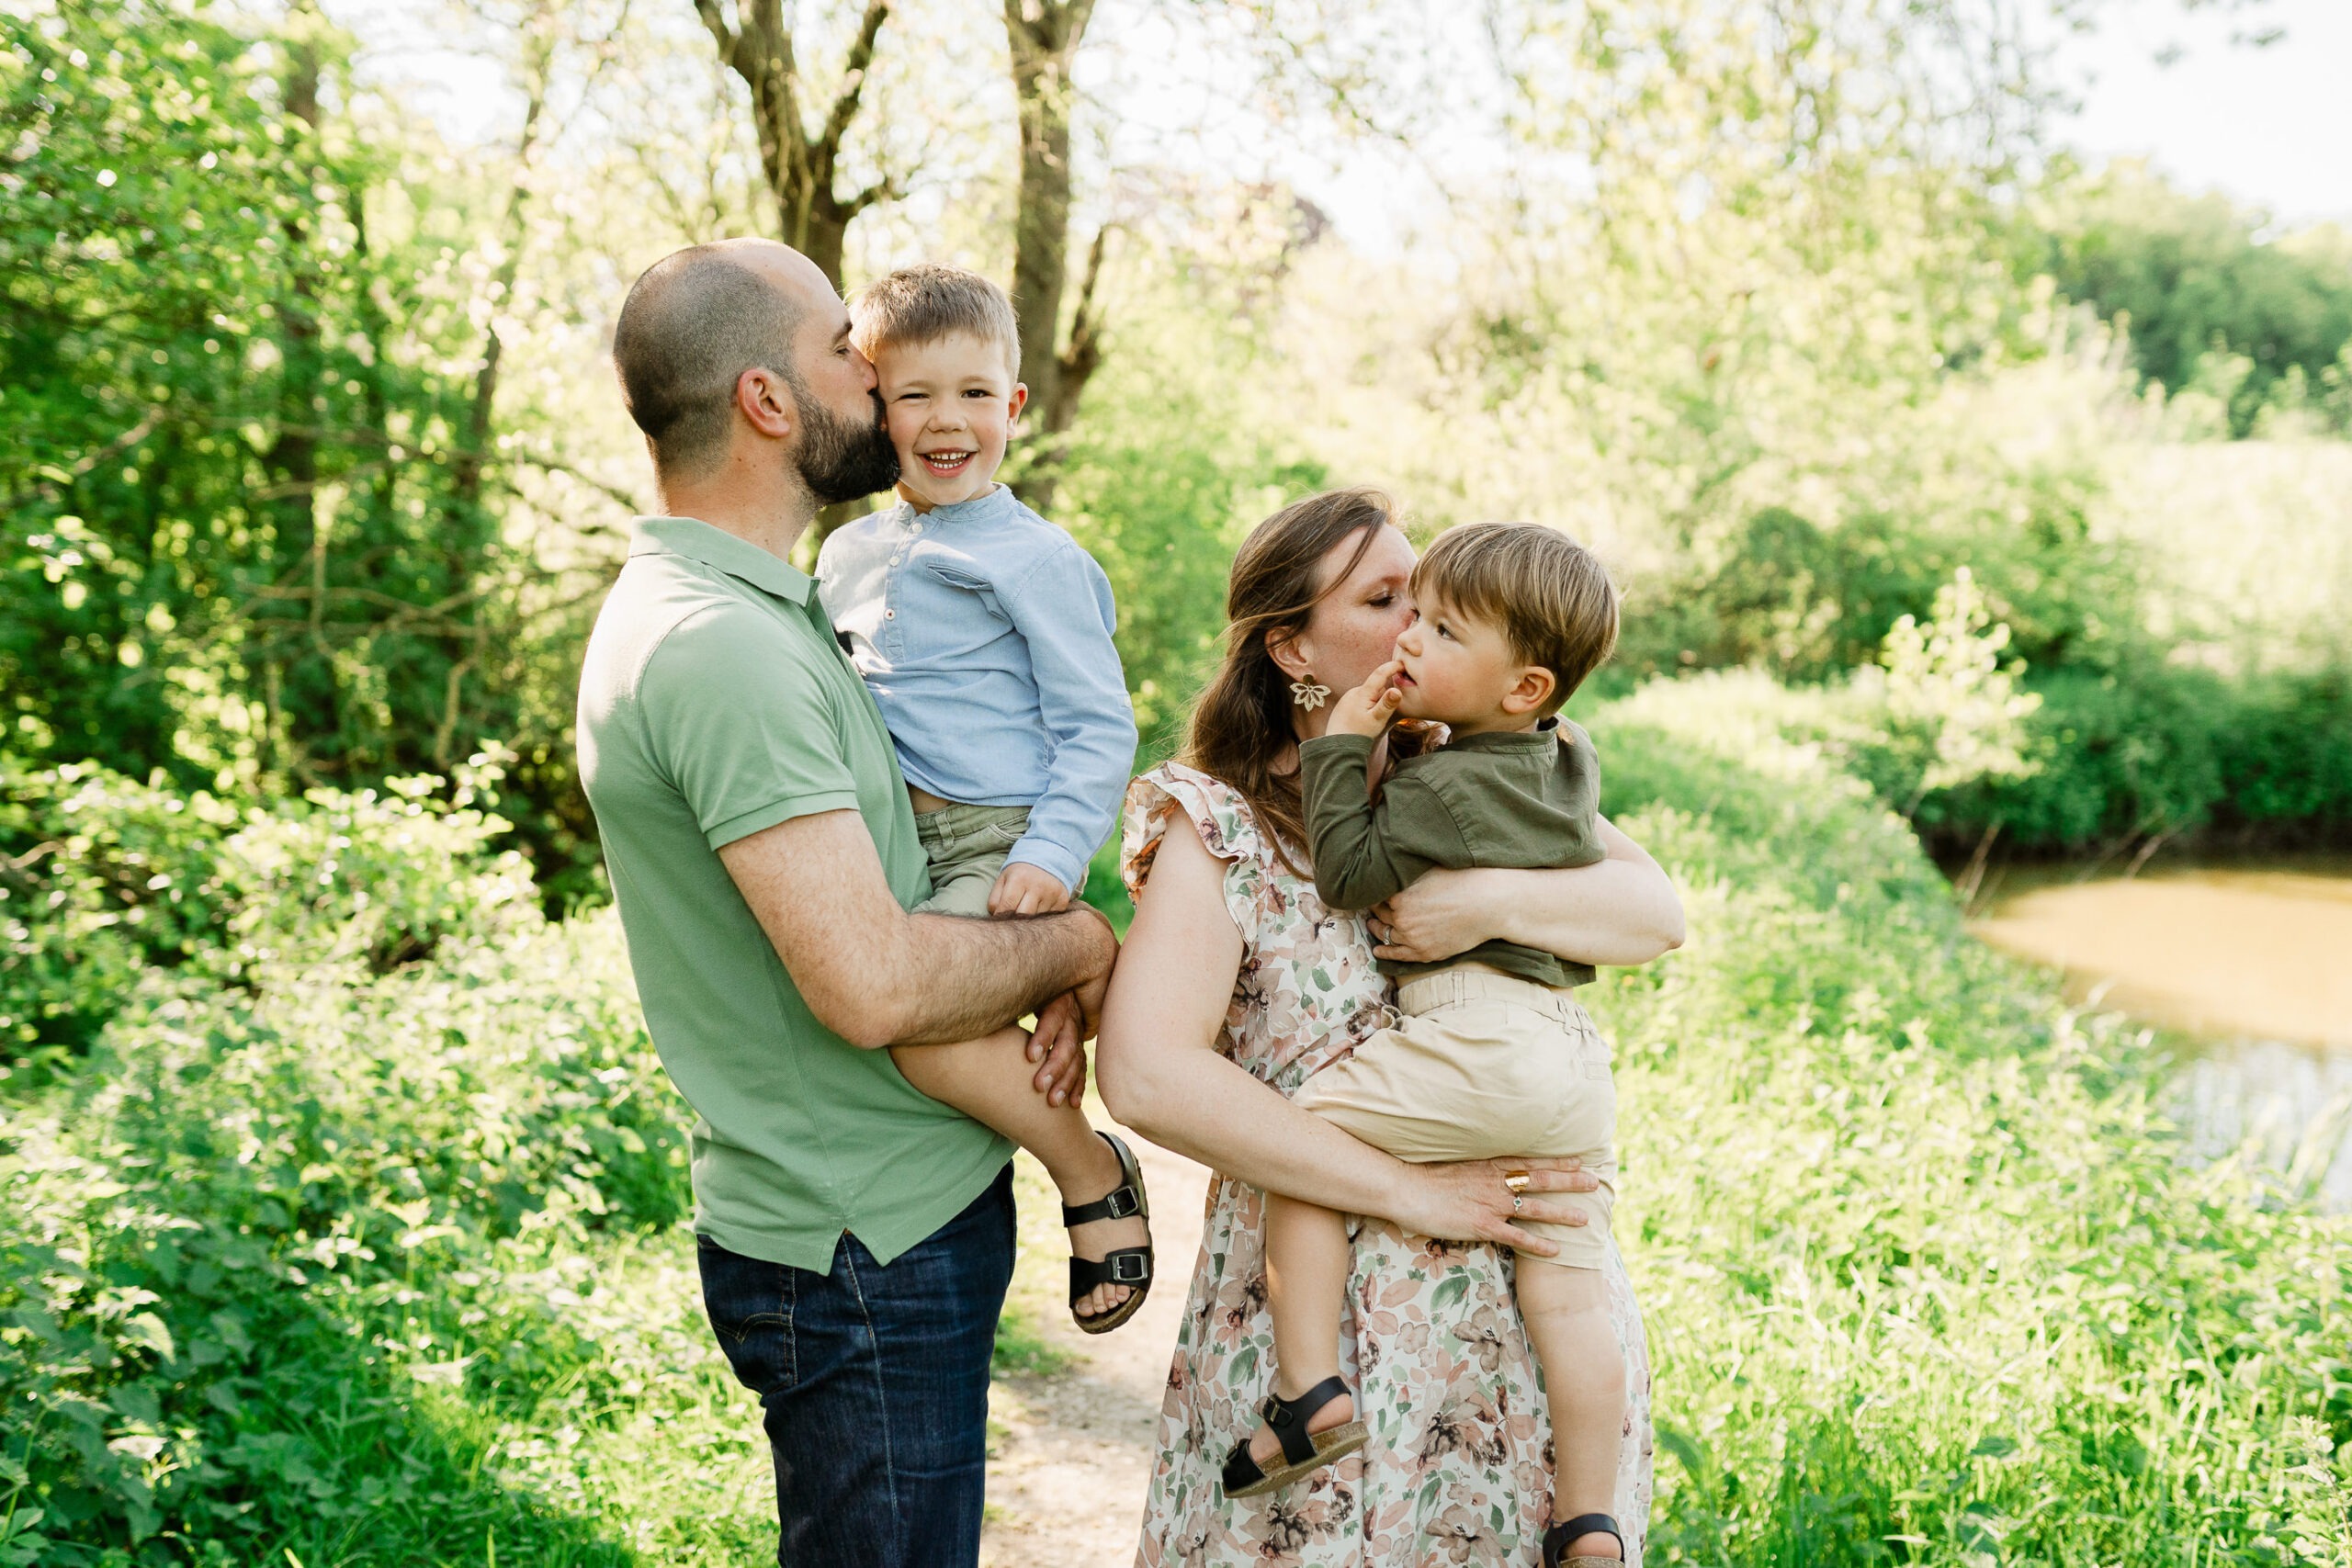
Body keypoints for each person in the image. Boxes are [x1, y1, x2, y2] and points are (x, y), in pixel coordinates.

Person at [574, 238, 1117, 1568]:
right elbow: (873, 983)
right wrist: (1083, 938)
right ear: (771, 401)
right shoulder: (723, 648)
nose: (880, 386)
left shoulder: (782, 602)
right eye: (847, 356)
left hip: (891, 1207)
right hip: (858, 1244)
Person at [1096, 489, 1685, 1567]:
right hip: (1332, 1340)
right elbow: (1144, 1076)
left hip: (1511, 1333)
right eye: (1383, 600)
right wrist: (1410, 1191)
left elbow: (1655, 911)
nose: (1416, 624)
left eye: (1427, 601)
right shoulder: (1220, 824)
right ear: (1291, 647)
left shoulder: (1464, 766)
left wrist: (1490, 904)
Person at [1231, 522, 1631, 1568]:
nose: (1413, 635)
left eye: (1442, 627)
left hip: (1474, 1034)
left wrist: (1333, 751)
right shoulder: (1566, 760)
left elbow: (1350, 875)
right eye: (1406, 610)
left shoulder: (1438, 785)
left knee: (1305, 1140)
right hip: (1570, 1063)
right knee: (1567, 1284)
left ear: (1521, 686)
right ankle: (1590, 1518)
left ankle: (1305, 1387)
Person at [817, 264, 1152, 1334]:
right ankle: (1065, 1000)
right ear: (876, 410)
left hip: (1000, 837)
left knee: (917, 1021)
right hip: (896, 846)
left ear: (1013, 406)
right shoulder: (844, 551)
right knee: (914, 1004)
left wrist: (1053, 859)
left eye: (973, 393)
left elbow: (1096, 724)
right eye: (914, 395)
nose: (945, 420)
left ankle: (1088, 1169)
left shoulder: (1035, 558)